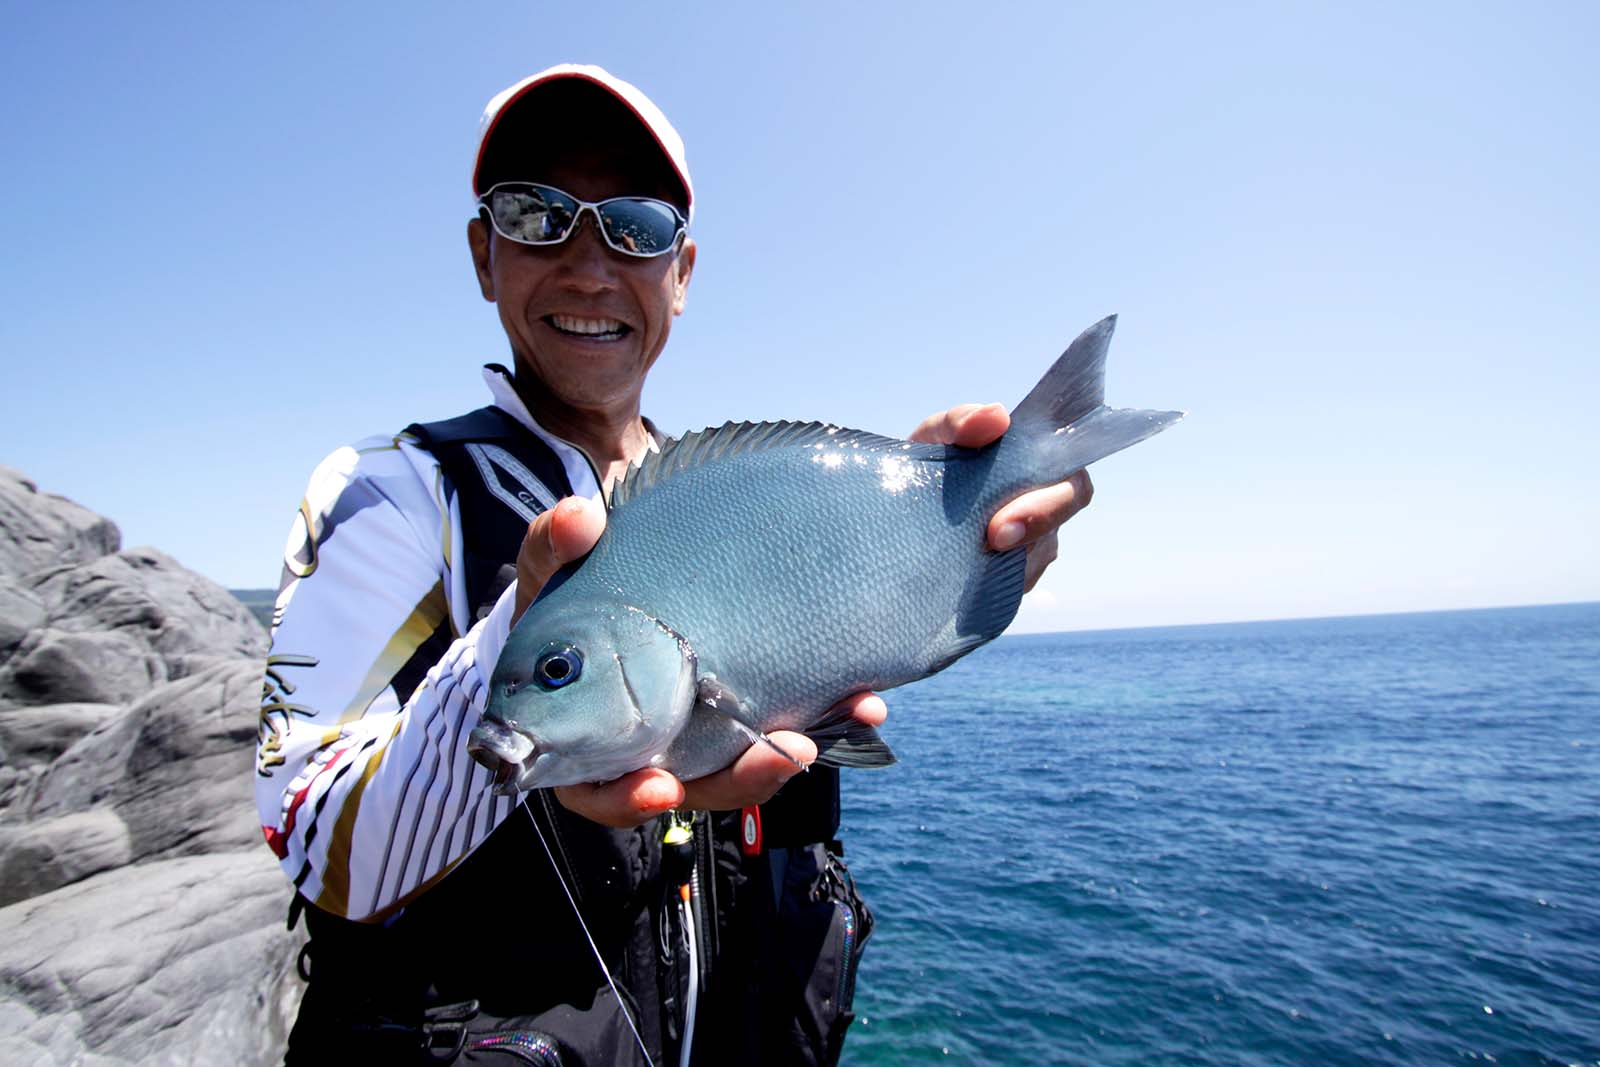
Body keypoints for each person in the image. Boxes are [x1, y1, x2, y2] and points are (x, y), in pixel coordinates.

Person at [255, 64, 1092, 1066]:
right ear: (484, 255)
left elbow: (835, 683)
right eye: (536, 215)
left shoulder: (728, 499)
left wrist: (969, 550)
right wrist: (516, 655)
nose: (587, 264)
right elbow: (317, 842)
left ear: (682, 272)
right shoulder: (388, 492)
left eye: (635, 227)